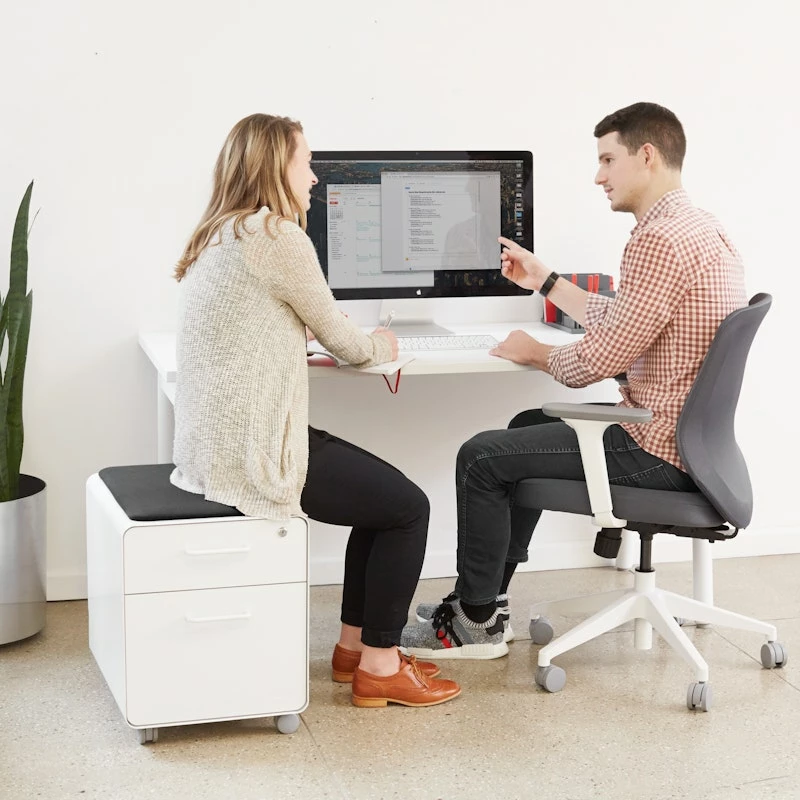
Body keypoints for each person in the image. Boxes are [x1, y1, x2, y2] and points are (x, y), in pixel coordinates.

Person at [401, 101, 747, 659]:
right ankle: (484, 601)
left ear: (647, 155)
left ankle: (472, 622)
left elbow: (594, 363)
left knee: (480, 457)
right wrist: (547, 282)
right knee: (525, 424)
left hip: (654, 449)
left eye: (608, 160)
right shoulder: (701, 228)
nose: (598, 176)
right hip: (691, 444)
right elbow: (628, 319)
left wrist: (534, 352)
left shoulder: (658, 240)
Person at [170, 113, 460, 707]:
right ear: (276, 165)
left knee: (382, 505)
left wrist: (291, 335)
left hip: (216, 446)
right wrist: (385, 343)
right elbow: (351, 346)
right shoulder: (276, 235)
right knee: (408, 508)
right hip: (255, 453)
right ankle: (380, 666)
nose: (315, 177)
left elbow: (249, 326)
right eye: (306, 162)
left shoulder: (223, 233)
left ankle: (355, 649)